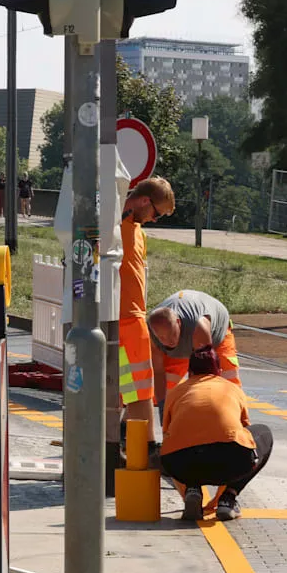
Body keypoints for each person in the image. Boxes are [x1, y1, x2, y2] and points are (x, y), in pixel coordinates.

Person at [161, 346, 271, 521]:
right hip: (229, 463)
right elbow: (243, 431)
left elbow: (166, 431)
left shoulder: (176, 392)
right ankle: (228, 499)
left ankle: (193, 489)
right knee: (263, 433)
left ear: (189, 372)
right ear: (219, 371)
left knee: (186, 441)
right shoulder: (231, 388)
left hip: (180, 465)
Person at [113, 177, 176, 482]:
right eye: (157, 212)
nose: (156, 219)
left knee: (139, 391)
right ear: (142, 200)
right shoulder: (114, 222)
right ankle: (142, 451)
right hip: (116, 319)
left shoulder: (137, 232)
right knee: (131, 391)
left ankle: (138, 446)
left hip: (133, 318)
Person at [148, 289, 241, 405]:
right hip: (186, 340)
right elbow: (158, 372)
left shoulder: (199, 328)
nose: (169, 341)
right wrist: (163, 405)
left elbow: (207, 372)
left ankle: (238, 419)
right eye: (162, 338)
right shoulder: (152, 332)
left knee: (228, 385)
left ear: (178, 322)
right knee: (162, 389)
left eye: (172, 335)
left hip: (216, 335)